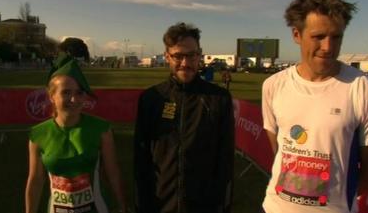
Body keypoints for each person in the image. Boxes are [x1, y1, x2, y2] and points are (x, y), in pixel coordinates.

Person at [261, 0, 368, 213]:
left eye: (336, 37)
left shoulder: (364, 89)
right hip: (274, 207)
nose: (328, 47)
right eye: (318, 36)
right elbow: (278, 147)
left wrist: (337, 199)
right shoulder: (274, 85)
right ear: (296, 35)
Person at [134, 22, 235, 213]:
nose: (185, 63)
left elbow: (226, 162)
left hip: (204, 206)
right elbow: (141, 160)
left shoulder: (219, 99)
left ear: (199, 54)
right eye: (178, 56)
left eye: (191, 55)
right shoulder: (151, 99)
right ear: (167, 56)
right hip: (159, 205)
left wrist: (223, 206)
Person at [25, 38, 127, 213]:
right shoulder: (37, 135)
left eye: (79, 93)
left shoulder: (101, 129)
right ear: (51, 96)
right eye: (66, 93)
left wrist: (123, 207)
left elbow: (113, 174)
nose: (74, 99)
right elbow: (35, 181)